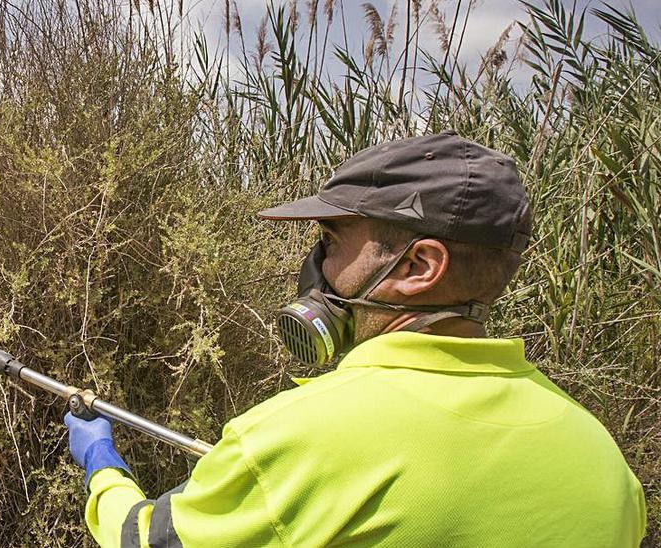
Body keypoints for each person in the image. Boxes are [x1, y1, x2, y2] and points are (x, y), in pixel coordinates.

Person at [63, 133, 648, 547]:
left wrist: (101, 464)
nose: (318, 266)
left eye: (335, 241)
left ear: (420, 265)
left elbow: (143, 541)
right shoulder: (602, 457)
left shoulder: (299, 436)